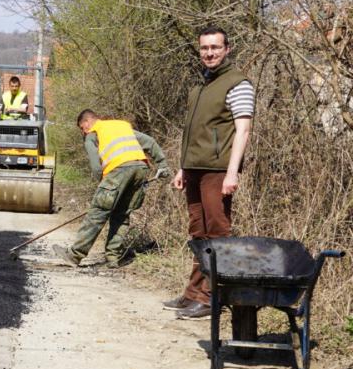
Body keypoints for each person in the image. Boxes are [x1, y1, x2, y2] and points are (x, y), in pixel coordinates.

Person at [165, 26, 254, 320]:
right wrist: (182, 167)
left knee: (217, 233)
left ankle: (209, 297)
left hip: (217, 171)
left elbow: (243, 130)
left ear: (227, 49)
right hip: (194, 169)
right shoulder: (199, 86)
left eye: (215, 47)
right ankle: (192, 293)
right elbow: (195, 134)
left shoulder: (237, 83)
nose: (209, 53)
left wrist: (232, 173)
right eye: (204, 48)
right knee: (198, 232)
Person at [52, 110, 169, 269]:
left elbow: (95, 165)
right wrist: (162, 165)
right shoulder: (121, 126)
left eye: (82, 128)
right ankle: (112, 258)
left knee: (98, 212)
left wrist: (102, 182)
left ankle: (75, 255)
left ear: (87, 122)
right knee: (122, 214)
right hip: (140, 169)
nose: (83, 132)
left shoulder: (92, 133)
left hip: (119, 170)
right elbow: (150, 141)